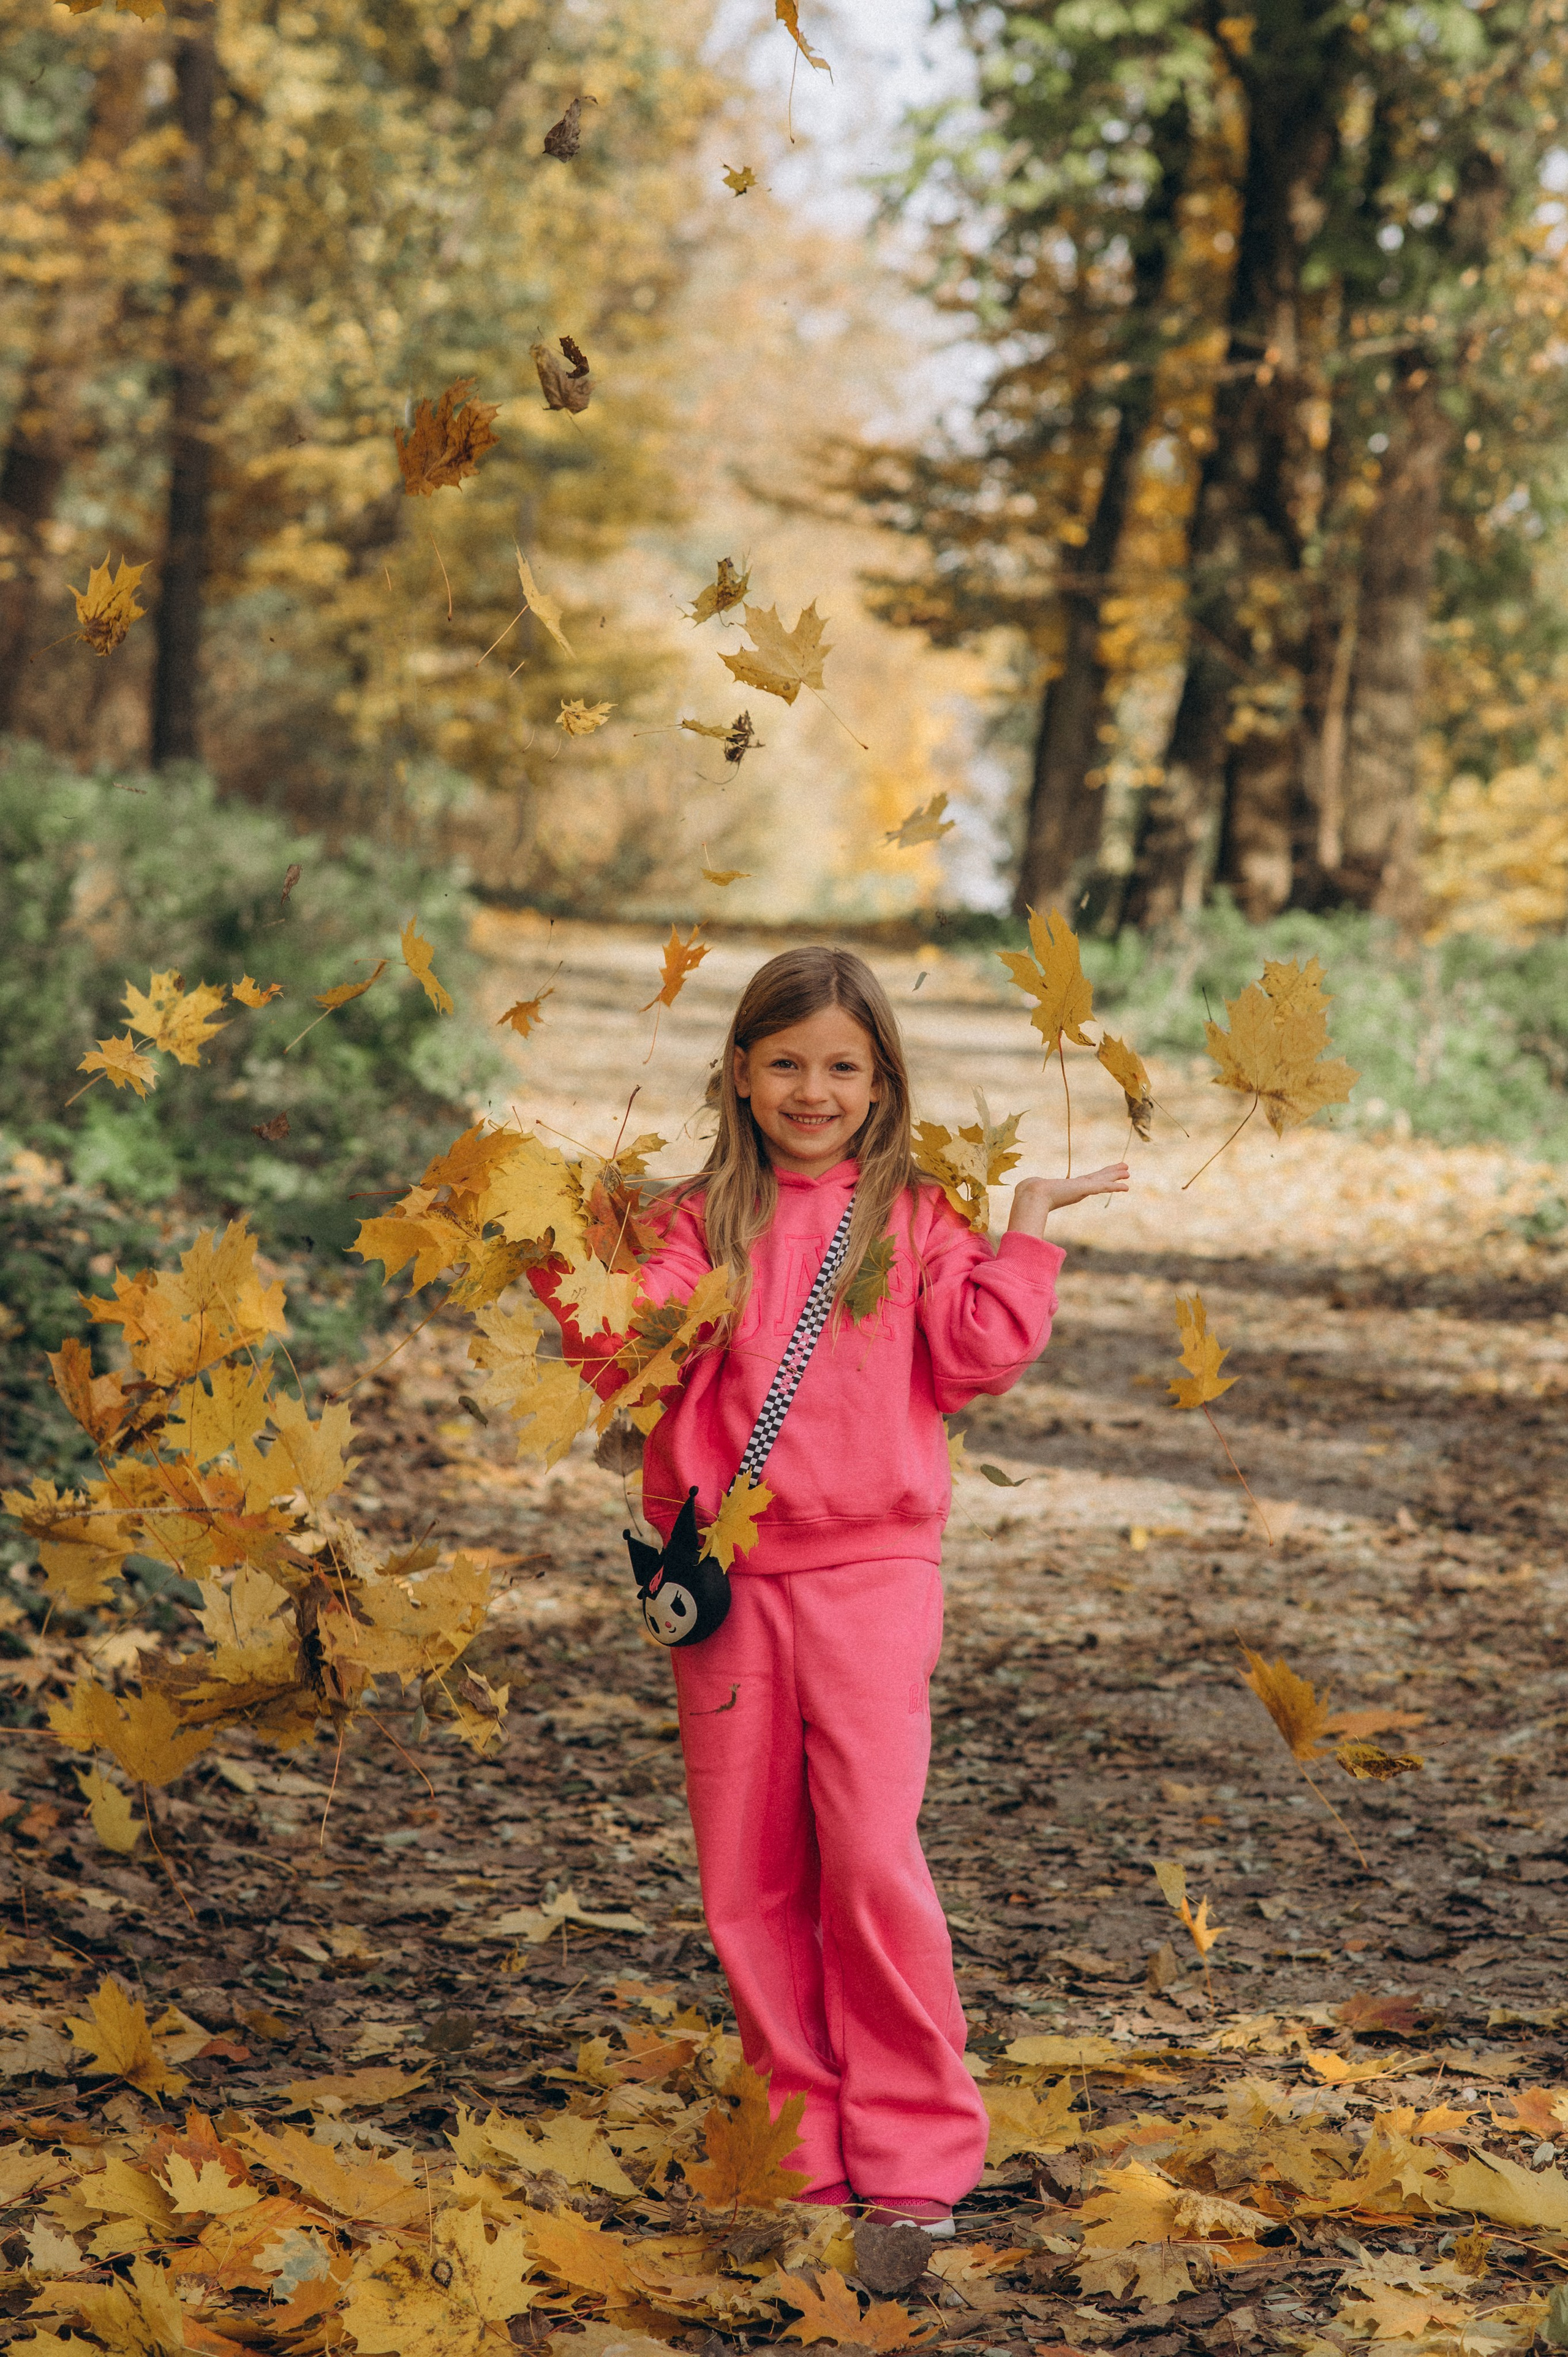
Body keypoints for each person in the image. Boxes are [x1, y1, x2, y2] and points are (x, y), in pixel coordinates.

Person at [531, 946, 1129, 2234]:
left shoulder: (913, 1215)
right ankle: (797, 2142)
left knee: (866, 1855)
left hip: (874, 1571)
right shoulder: (697, 1219)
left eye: (842, 1067)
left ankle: (912, 2143)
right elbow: (634, 1352)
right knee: (749, 1873)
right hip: (725, 1578)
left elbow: (976, 1355)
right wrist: (554, 1250)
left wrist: (1026, 1230)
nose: (813, 1090)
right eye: (786, 1063)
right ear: (740, 1074)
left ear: (880, 1084)